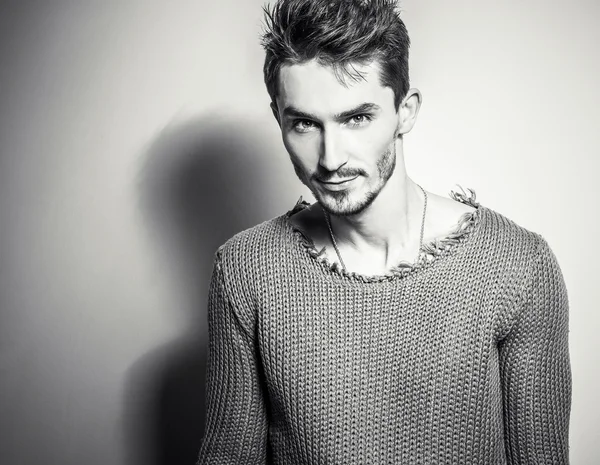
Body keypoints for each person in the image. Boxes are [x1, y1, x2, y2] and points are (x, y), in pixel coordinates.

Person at [196, 0, 572, 463]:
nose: (331, 157)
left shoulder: (518, 265)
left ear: (405, 111)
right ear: (278, 117)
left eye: (357, 118)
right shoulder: (245, 268)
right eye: (304, 124)